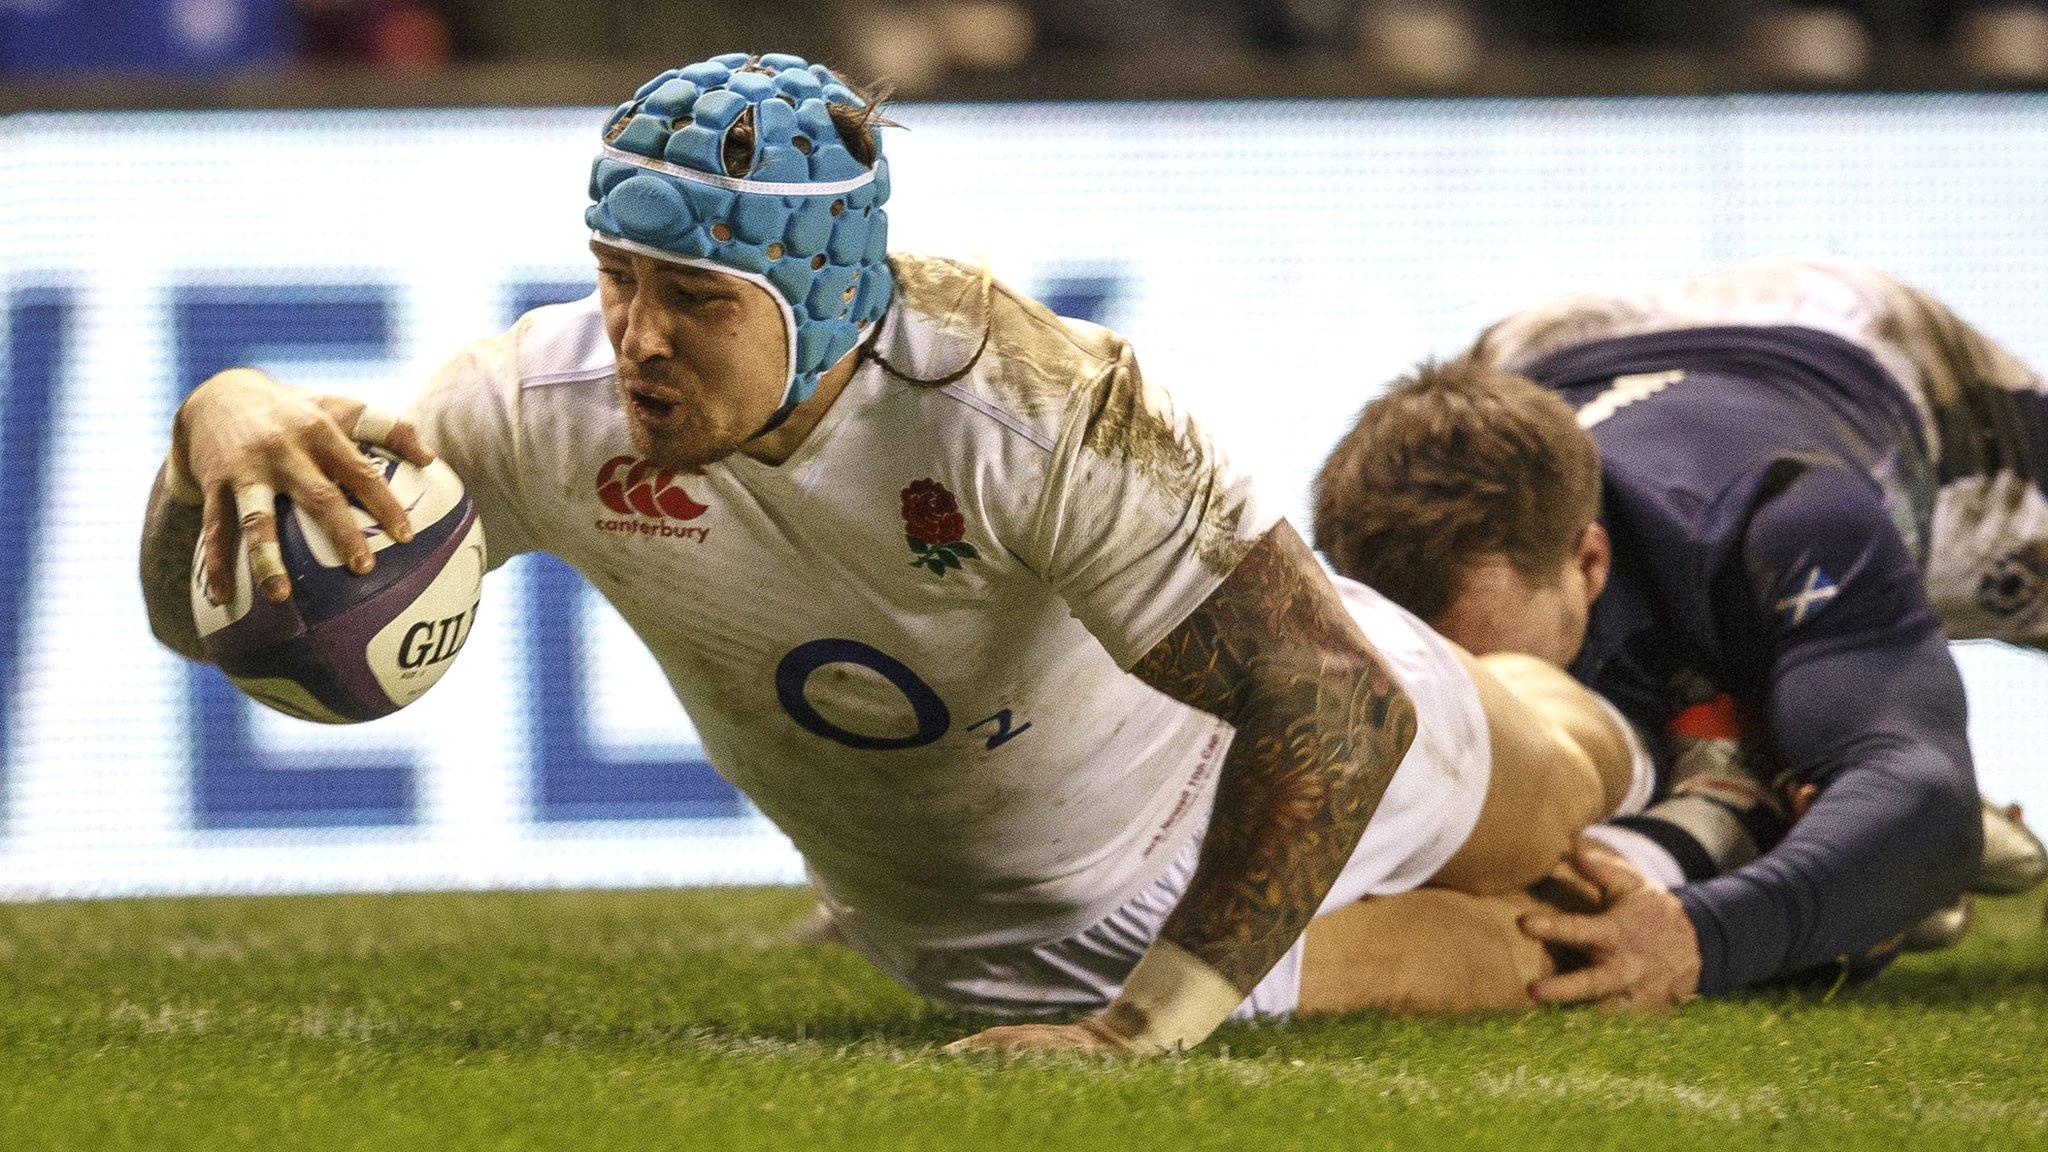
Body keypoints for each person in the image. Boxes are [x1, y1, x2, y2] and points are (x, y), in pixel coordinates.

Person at [138, 52, 1651, 1052]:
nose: (638, 339)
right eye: (615, 280)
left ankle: (1702, 776)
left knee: (1566, 787)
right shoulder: (543, 407)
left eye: (696, 299)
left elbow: (1334, 704)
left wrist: (1140, 1031)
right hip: (973, 931)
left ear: (824, 301)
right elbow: (205, 618)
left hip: (1226, 765)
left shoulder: (1034, 405)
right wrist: (219, 415)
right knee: (1522, 943)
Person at [1313, 254, 2048, 1009]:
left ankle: (1833, 766)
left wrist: (1703, 936)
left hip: (1870, 346)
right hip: (1550, 349)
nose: (1476, 691)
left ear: (1589, 561)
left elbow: (1926, 807)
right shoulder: (1395, 561)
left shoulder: (1791, 519)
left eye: (1487, 658)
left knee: (1880, 788)